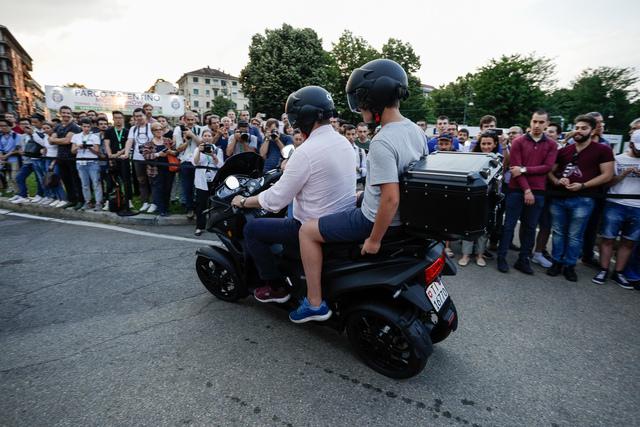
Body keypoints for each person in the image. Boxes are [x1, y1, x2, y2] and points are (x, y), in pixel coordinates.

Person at [293, 59, 425, 323]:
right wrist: (363, 196)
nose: (360, 107)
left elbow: (390, 198)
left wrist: (374, 240)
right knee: (356, 198)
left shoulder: (382, 140)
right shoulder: (414, 130)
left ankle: (314, 303)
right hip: (403, 217)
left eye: (361, 99)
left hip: (373, 220)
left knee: (306, 231)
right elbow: (404, 180)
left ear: (374, 98)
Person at [228, 85, 355, 317]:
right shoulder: (344, 142)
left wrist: (244, 201)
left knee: (253, 229)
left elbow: (275, 200)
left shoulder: (305, 151)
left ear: (302, 116)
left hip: (310, 225)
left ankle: (275, 287)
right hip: (340, 219)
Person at [546, 114, 614, 282]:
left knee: (575, 235)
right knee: (558, 233)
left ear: (592, 130)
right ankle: (556, 262)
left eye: (584, 128)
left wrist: (583, 185)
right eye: (577, 127)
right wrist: (557, 180)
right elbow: (550, 171)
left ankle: (570, 265)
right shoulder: (564, 151)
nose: (579, 131)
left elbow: (607, 175)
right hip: (559, 197)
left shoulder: (603, 150)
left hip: (583, 199)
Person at [496, 110, 558, 275]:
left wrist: (524, 169)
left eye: (541, 122)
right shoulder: (519, 141)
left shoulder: (551, 145)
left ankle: (523, 260)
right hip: (517, 190)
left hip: (538, 192)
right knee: (509, 226)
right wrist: (527, 189)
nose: (537, 125)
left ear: (547, 124)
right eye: (534, 121)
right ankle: (501, 257)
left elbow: (546, 167)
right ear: (530, 122)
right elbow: (514, 169)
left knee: (530, 227)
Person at [591, 130, 640, 288]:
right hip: (615, 203)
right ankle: (603, 269)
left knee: (629, 242)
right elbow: (606, 183)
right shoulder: (617, 159)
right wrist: (622, 175)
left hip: (637, 206)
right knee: (608, 238)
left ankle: (618, 272)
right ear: (631, 144)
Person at [459, 132, 501, 267]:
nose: (486, 146)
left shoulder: (498, 158)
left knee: (484, 226)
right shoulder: (473, 157)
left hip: (489, 198)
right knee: (469, 224)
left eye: (489, 143)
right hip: (473, 197)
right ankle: (465, 254)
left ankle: (479, 254)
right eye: (483, 143)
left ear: (495, 144)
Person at [48, 106, 83, 209]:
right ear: (60, 113)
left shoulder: (74, 127)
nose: (66, 115)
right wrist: (59, 140)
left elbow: (68, 141)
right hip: (60, 157)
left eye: (68, 113)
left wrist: (56, 140)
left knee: (76, 180)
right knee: (66, 180)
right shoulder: (58, 126)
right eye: (64, 112)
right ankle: (72, 200)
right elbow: (50, 141)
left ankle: (80, 200)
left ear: (71, 114)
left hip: (72, 157)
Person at [120, 108, 154, 212]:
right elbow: (129, 141)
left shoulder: (151, 126)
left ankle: (154, 202)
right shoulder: (133, 129)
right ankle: (145, 202)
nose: (138, 118)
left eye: (140, 115)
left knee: (152, 181)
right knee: (141, 180)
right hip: (137, 158)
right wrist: (126, 153)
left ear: (145, 116)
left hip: (151, 158)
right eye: (136, 116)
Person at [193, 129, 224, 236]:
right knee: (201, 204)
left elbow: (220, 165)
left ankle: (214, 225)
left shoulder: (218, 150)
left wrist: (213, 155)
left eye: (209, 136)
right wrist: (199, 151)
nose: (207, 137)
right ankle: (199, 226)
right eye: (205, 136)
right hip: (201, 180)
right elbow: (195, 163)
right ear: (202, 137)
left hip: (214, 179)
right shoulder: (197, 149)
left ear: (212, 137)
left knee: (214, 203)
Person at [142, 123, 177, 216]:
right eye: (156, 130)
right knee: (158, 189)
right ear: (152, 131)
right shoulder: (148, 143)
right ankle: (161, 209)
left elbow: (176, 152)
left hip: (169, 168)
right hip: (155, 170)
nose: (159, 131)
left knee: (168, 188)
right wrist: (158, 154)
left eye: (160, 129)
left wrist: (170, 152)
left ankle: (166, 208)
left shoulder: (168, 140)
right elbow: (146, 156)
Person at [174, 111, 203, 219]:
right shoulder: (179, 130)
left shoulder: (200, 129)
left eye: (192, 120)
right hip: (185, 160)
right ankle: (189, 208)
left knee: (199, 186)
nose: (190, 122)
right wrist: (187, 141)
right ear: (184, 120)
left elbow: (202, 144)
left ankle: (198, 208)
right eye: (188, 120)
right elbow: (178, 148)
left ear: (195, 120)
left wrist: (193, 135)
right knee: (187, 186)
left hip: (198, 160)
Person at [71, 118, 103, 211]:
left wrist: (89, 147)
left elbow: (97, 151)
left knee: (96, 183)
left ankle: (98, 202)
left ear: (91, 127)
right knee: (84, 184)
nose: (86, 128)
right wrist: (79, 146)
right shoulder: (76, 136)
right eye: (84, 126)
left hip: (92, 162)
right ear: (81, 126)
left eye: (88, 127)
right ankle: (88, 202)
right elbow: (72, 151)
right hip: (80, 162)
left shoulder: (94, 137)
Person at [104, 110, 132, 209]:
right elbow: (107, 144)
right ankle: (109, 201)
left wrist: (118, 154)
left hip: (123, 159)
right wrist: (110, 155)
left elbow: (128, 145)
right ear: (113, 119)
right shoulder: (109, 131)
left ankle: (128, 200)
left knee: (126, 180)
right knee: (110, 181)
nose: (118, 120)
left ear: (123, 119)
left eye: (120, 118)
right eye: (116, 118)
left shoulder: (127, 131)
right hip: (112, 159)